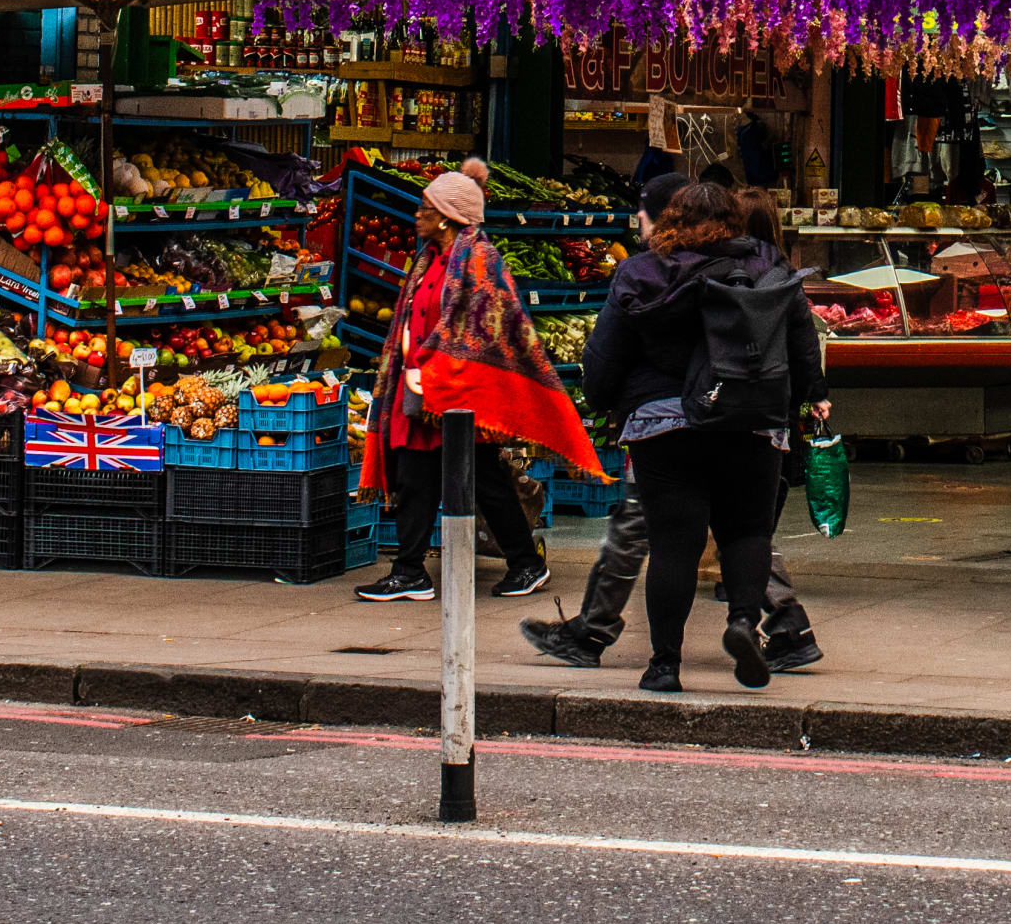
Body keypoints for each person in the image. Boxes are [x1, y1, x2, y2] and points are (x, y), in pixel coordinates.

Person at [525, 183, 824, 674]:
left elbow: (605, 351)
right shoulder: (769, 266)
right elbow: (801, 343)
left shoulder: (641, 272)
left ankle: (664, 665)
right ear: (733, 219)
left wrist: (602, 401)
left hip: (662, 424)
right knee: (747, 532)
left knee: (673, 547)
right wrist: (804, 398)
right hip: (750, 419)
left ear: (672, 219)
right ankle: (744, 624)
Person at [353, 166, 597, 605]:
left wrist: (439, 369)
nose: (417, 214)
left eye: (426, 208)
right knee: (415, 477)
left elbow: (486, 332)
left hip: (459, 397)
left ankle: (524, 562)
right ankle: (411, 571)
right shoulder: (428, 257)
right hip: (422, 391)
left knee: (485, 480)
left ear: (447, 216)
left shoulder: (480, 260)